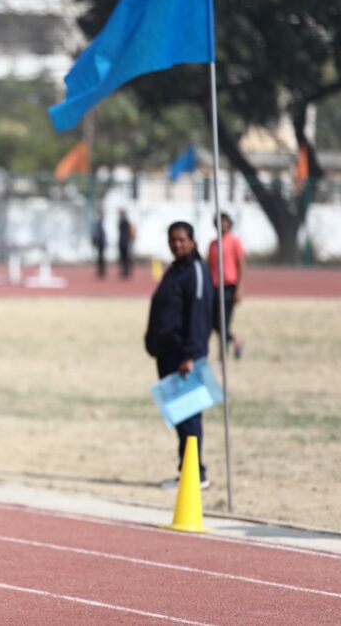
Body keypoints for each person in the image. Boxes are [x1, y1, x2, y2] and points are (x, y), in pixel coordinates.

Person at [144, 221, 212, 490]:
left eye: (182, 240)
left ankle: (197, 473)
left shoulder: (196, 271)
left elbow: (199, 315)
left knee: (190, 415)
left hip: (185, 357)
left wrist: (191, 355)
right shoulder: (174, 270)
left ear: (192, 241)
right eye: (173, 240)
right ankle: (186, 468)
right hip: (167, 353)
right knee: (179, 415)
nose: (177, 245)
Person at [207, 212, 246, 359]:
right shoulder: (213, 244)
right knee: (214, 323)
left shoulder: (234, 241)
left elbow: (241, 265)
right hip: (215, 287)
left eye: (225, 222)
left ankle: (223, 356)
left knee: (224, 323)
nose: (223, 224)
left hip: (229, 287)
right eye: (220, 222)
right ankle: (236, 342)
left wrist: (240, 288)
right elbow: (209, 266)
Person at [118, 209, 135, 279]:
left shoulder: (126, 222)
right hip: (123, 242)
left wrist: (130, 240)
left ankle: (127, 271)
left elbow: (130, 232)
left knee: (126, 258)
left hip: (125, 242)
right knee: (123, 258)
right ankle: (125, 271)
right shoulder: (122, 221)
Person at [91, 210, 107, 279]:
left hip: (102, 242)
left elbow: (104, 234)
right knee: (100, 257)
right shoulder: (99, 222)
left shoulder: (103, 222)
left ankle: (102, 271)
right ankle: (101, 271)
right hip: (100, 242)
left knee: (101, 257)